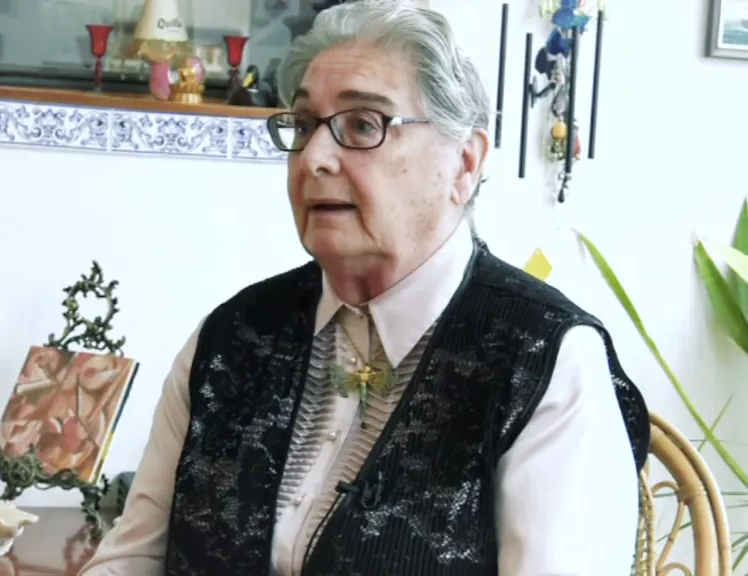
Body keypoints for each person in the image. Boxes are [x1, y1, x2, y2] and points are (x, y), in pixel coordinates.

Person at [79, 2, 648, 574]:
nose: (316, 159)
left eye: (362, 125)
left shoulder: (544, 362)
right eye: (303, 126)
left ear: (464, 164)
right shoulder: (233, 336)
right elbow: (132, 558)